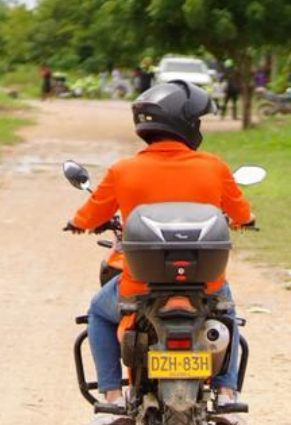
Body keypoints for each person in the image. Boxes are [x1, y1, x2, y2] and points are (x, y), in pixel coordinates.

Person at [67, 81, 254, 425]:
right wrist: (246, 221)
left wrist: (77, 223)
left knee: (98, 311)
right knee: (228, 314)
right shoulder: (213, 166)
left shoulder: (124, 170)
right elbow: (243, 215)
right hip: (205, 286)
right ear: (186, 124)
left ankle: (110, 399)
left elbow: (90, 214)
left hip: (140, 288)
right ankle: (227, 395)